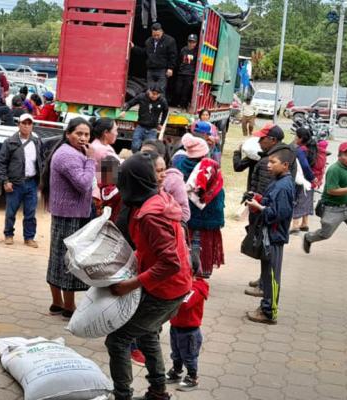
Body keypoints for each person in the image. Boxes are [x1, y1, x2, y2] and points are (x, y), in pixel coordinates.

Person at [106, 152, 192, 400]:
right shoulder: (152, 200)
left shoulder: (150, 214)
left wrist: (130, 285)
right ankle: (158, 391)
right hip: (171, 286)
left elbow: (170, 263)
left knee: (118, 340)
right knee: (147, 334)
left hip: (166, 290)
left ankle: (122, 394)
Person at [40, 118, 96, 319]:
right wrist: (91, 160)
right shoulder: (69, 155)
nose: (83, 138)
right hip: (70, 215)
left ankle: (58, 303)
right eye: (79, 134)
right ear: (67, 134)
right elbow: (83, 183)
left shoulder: (77, 152)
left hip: (71, 212)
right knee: (67, 260)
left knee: (59, 258)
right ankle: (67, 306)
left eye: (86, 134)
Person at [245, 148, 296, 324]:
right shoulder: (278, 181)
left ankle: (269, 312)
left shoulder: (283, 185)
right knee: (267, 274)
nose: (268, 165)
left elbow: (277, 213)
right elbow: (269, 201)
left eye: (273, 162)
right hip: (270, 235)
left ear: (285, 165)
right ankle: (265, 305)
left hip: (274, 236)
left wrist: (259, 207)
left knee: (272, 276)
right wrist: (258, 198)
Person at [303, 142, 347, 266]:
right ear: (339, 155)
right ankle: (309, 238)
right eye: (346, 155)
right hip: (332, 208)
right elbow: (331, 190)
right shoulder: (334, 170)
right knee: (325, 234)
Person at [175, 134, 225, 278]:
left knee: (186, 241)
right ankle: (200, 270)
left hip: (185, 213)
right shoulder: (210, 167)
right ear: (204, 153)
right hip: (207, 214)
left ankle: (185, 269)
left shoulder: (179, 164)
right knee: (200, 241)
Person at [0, 114, 43, 248]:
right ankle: (8, 234)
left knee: (30, 213)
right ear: (19, 125)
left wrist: (40, 180)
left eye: (29, 124)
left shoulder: (36, 141)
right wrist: (5, 181)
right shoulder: (10, 142)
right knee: (11, 212)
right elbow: (1, 163)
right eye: (24, 123)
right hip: (15, 183)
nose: (27, 126)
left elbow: (41, 161)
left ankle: (29, 237)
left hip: (31, 182)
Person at [164, 276, 209, 391]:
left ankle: (192, 377)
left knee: (189, 356)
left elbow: (184, 304)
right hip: (175, 326)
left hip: (189, 331)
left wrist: (170, 294)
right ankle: (176, 371)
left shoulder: (197, 288)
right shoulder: (181, 283)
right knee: (176, 353)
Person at [119, 85, 168, 153]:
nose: (154, 96)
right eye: (153, 94)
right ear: (149, 91)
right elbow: (130, 103)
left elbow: (165, 111)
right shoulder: (142, 97)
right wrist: (124, 110)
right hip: (140, 127)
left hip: (152, 129)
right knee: (135, 147)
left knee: (149, 150)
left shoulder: (162, 101)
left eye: (157, 94)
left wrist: (161, 123)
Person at [130, 22, 177, 91]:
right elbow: (144, 52)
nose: (156, 37)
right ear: (152, 33)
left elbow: (173, 55)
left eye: (158, 35)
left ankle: (161, 102)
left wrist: (170, 68)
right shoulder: (148, 41)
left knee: (160, 90)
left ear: (162, 32)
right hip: (151, 70)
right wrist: (134, 47)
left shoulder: (170, 41)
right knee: (150, 90)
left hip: (162, 70)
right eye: (154, 35)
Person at [289, 128, 317, 233]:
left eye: (296, 136)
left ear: (300, 138)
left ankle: (295, 225)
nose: (294, 137)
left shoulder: (300, 149)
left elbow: (304, 165)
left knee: (298, 200)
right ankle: (305, 223)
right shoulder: (311, 147)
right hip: (310, 179)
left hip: (301, 178)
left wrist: (311, 177)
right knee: (307, 199)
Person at [175, 34, 198, 109]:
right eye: (190, 41)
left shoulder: (197, 51)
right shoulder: (183, 49)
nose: (191, 43)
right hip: (181, 73)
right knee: (178, 90)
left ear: (196, 43)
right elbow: (179, 60)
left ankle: (182, 106)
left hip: (190, 74)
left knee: (186, 91)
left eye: (193, 42)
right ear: (187, 42)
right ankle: (177, 103)